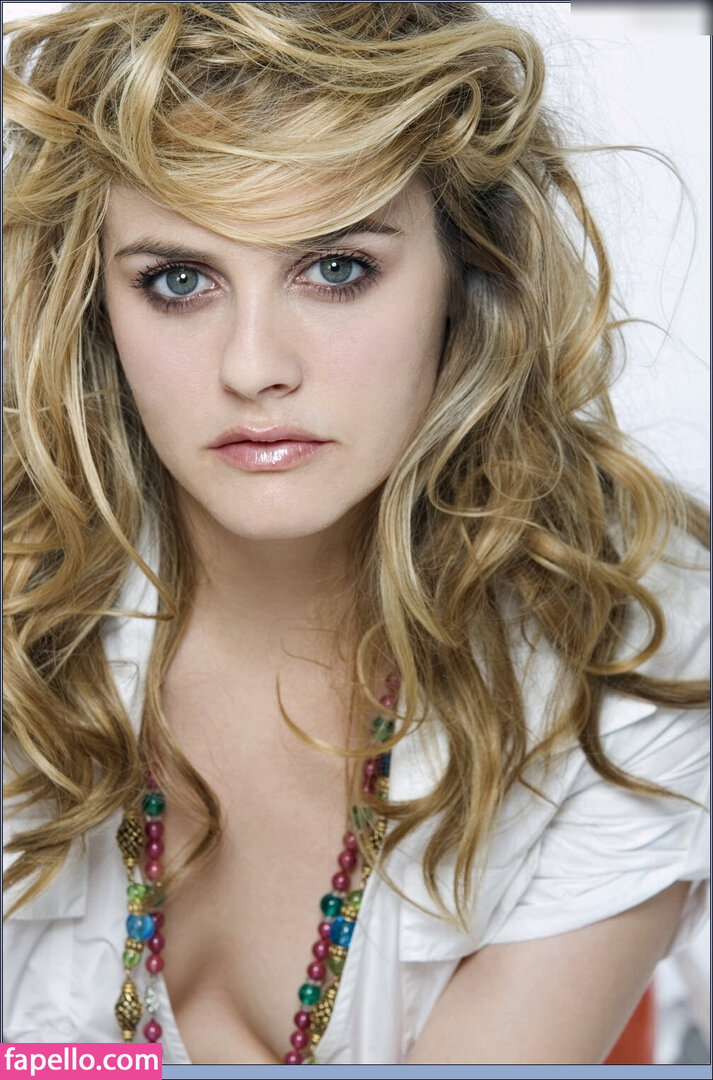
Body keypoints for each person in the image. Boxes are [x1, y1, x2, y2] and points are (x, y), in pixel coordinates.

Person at [3, 1, 709, 1066]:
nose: (253, 367)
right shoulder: (22, 608)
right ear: (95, 302)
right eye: (178, 280)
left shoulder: (633, 644)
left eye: (335, 268)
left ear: (467, 276)